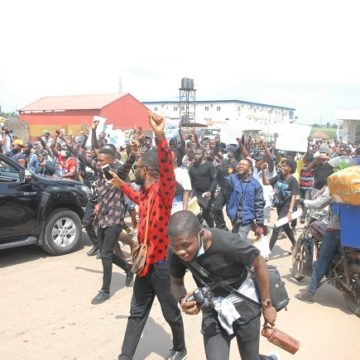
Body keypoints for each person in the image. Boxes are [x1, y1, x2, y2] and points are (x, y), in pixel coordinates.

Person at [110, 112, 187, 360]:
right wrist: (121, 184)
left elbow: (167, 169)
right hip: (144, 265)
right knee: (137, 312)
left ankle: (180, 348)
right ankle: (125, 356)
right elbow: (135, 198)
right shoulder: (145, 193)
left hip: (163, 266)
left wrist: (160, 136)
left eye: (138, 167)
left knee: (170, 312)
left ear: (148, 170)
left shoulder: (163, 191)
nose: (136, 170)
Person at [167, 210, 277, 360]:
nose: (181, 252)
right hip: (213, 306)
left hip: (244, 302)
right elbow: (176, 282)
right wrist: (182, 300)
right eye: (175, 246)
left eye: (186, 245)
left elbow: (259, 262)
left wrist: (267, 305)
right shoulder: (175, 251)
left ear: (200, 235)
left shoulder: (226, 242)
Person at [90, 146, 135, 305]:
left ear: (110, 160)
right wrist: (63, 140)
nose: (98, 162)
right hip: (102, 219)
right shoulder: (100, 173)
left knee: (106, 255)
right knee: (104, 254)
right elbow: (83, 156)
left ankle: (105, 290)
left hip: (115, 219)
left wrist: (133, 153)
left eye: (101, 160)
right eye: (98, 160)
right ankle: (128, 268)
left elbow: (127, 165)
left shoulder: (117, 173)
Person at [295, 187, 340, 303]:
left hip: (336, 228)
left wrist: (303, 201)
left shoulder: (338, 184)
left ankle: (310, 293)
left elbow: (319, 204)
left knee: (322, 260)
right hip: (355, 231)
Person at [263, 159, 299, 252]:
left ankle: (267, 251)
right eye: (282, 166)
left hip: (288, 206)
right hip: (280, 206)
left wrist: (290, 212)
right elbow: (266, 182)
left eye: (285, 166)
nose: (282, 167)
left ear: (290, 169)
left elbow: (293, 196)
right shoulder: (278, 177)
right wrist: (262, 170)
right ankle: (295, 244)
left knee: (277, 227)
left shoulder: (293, 180)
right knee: (285, 226)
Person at [226, 158, 265, 240]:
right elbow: (222, 181)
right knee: (235, 241)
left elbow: (259, 204)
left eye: (244, 165)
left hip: (246, 219)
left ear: (250, 168)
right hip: (233, 217)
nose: (241, 166)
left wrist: (260, 224)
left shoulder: (255, 185)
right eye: (240, 164)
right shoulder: (232, 179)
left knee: (239, 242)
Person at [189, 147, 217, 227]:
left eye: (198, 154)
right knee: (195, 212)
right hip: (196, 194)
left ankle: (212, 229)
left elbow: (215, 180)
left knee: (207, 214)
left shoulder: (210, 166)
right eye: (195, 154)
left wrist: (210, 191)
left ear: (203, 155)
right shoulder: (192, 168)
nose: (196, 156)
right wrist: (190, 194)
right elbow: (191, 182)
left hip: (207, 194)